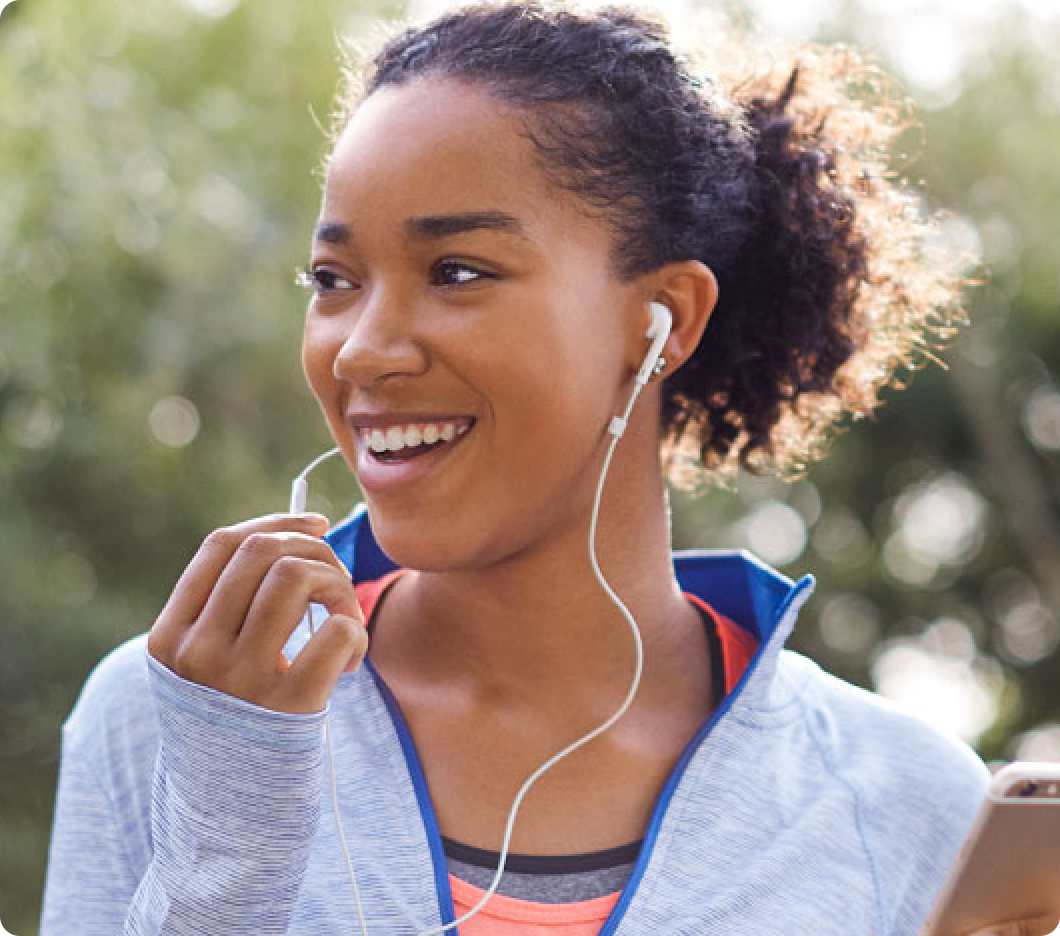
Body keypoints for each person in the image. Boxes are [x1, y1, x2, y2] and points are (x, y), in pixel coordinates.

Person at [38, 3, 1059, 934]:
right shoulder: (178, 716)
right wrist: (229, 845)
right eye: (333, 279)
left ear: (663, 321)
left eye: (457, 271)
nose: (359, 349)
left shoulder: (906, 796)